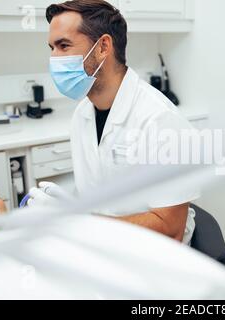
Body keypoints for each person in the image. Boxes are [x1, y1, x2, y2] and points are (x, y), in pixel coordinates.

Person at [28, 0, 199, 244]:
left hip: (156, 260)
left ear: (103, 47)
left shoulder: (160, 120)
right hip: (106, 247)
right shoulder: (83, 114)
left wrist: (78, 222)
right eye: (51, 48)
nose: (54, 58)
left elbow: (171, 228)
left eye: (63, 46)